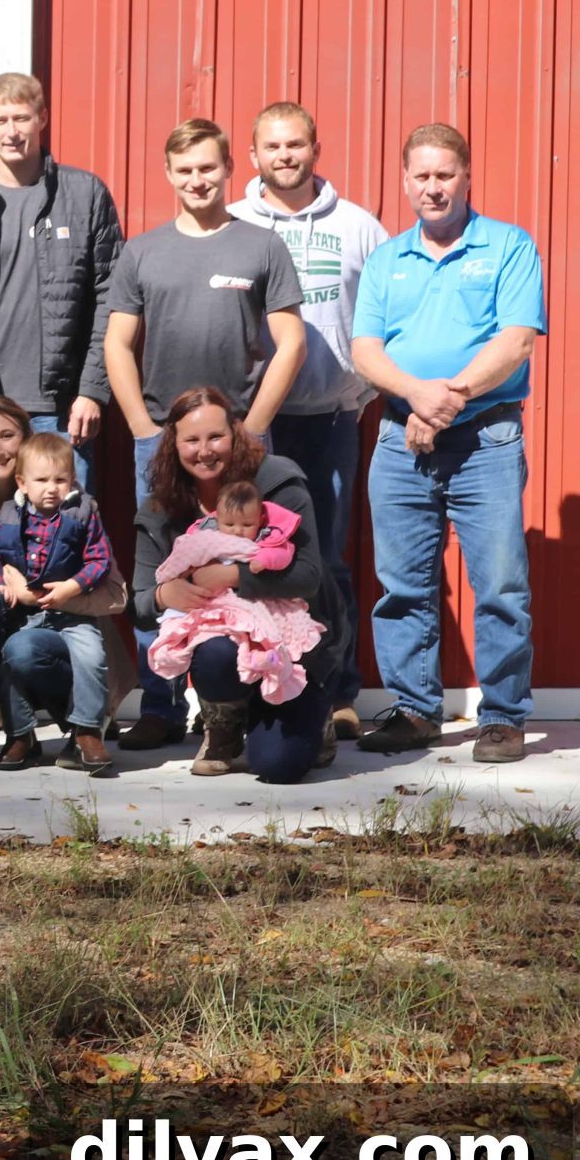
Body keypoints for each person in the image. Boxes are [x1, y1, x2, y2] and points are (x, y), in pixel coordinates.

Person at [103, 118, 306, 749]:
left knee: (242, 562)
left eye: (208, 168)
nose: (197, 180)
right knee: (166, 566)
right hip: (164, 441)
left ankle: (238, 696)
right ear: (169, 174)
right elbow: (116, 341)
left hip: (239, 442)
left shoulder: (260, 246)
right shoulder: (143, 251)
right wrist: (141, 424)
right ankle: (161, 704)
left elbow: (291, 340)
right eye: (185, 170)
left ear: (227, 170)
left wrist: (258, 425)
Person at [351, 124, 545, 765]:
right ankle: (413, 710)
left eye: (445, 175)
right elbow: (365, 351)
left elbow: (515, 341)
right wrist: (414, 393)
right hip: (399, 441)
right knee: (402, 587)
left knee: (499, 586)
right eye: (421, 177)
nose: (433, 188)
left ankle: (502, 717)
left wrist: (445, 399)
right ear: (405, 182)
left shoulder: (510, 247)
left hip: (485, 439)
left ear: (466, 177)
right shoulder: (387, 261)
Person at [228, 101, 388, 739]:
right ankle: (242, 692)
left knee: (329, 562)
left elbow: (382, 317)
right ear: (254, 154)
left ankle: (337, 692)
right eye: (272, 146)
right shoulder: (236, 222)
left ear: (315, 148)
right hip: (249, 427)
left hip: (328, 420)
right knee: (243, 556)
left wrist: (359, 391)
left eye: (295, 144)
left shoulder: (357, 227)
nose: (284, 156)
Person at [0, 73, 124, 490]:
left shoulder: (85, 194)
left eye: (21, 118)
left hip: (60, 407)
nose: (12, 132)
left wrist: (92, 389)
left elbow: (113, 299)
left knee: (63, 535)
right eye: (1, 121)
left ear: (42, 119)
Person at [130, 386, 334, 782]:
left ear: (235, 434)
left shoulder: (277, 483)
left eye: (215, 437)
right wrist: (163, 594)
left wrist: (232, 576)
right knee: (213, 651)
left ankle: (314, 711)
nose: (205, 450)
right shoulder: (160, 508)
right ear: (173, 443)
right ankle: (224, 723)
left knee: (278, 767)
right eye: (191, 439)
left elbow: (309, 577)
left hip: (288, 650)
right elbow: (138, 600)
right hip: (223, 648)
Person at [0, 432, 120, 775]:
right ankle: (21, 734)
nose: (51, 488)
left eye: (60, 479)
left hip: (73, 615)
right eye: (41, 480)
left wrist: (73, 586)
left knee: (92, 655)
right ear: (22, 482)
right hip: (29, 618)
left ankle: (87, 730)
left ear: (72, 480)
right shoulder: (12, 515)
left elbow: (99, 560)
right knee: (12, 652)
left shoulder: (82, 513)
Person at [145, 479, 326, 707]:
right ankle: (175, 657)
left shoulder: (266, 538)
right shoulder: (206, 536)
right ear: (216, 519)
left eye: (246, 525)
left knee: (260, 631)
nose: (238, 532)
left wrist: (260, 562)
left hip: (252, 602)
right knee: (191, 633)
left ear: (260, 520)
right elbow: (184, 555)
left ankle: (263, 661)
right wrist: (171, 580)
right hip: (212, 605)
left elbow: (283, 554)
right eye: (229, 524)